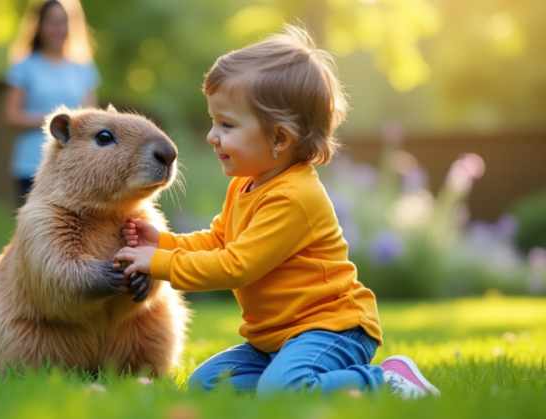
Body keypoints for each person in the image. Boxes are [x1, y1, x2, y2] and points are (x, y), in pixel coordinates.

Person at [112, 24, 440, 399]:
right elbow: (219, 240)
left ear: (279, 139)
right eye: (213, 121)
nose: (211, 135)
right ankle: (294, 376)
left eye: (227, 124)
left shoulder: (293, 197)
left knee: (284, 389)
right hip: (277, 338)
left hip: (332, 328)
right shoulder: (247, 183)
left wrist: (159, 263)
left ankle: (383, 380)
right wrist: (165, 242)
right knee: (208, 385)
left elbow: (236, 265)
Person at [4, 0, 100, 202]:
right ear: (39, 26)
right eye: (51, 22)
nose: (58, 28)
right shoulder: (24, 67)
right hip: (31, 164)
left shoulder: (84, 70)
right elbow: (11, 117)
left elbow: (92, 119)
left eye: (62, 22)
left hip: (73, 166)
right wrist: (56, 122)